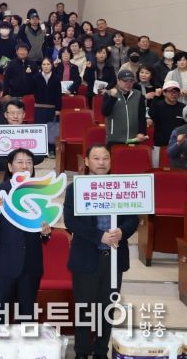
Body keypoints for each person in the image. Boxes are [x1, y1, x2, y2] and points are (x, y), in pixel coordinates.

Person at [65, 144, 138, 359]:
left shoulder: (122, 186)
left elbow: (133, 218)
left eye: (105, 158)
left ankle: (100, 351)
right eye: (96, 158)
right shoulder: (75, 188)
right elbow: (71, 221)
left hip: (114, 258)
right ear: (87, 161)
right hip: (87, 256)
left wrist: (122, 232)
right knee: (84, 308)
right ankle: (81, 352)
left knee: (107, 308)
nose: (101, 162)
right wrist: (100, 236)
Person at [0, 148, 51, 324]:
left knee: (27, 317)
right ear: (10, 166)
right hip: (4, 263)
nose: (25, 166)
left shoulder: (40, 193)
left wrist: (45, 233)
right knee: (0, 315)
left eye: (29, 163)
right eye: (20, 162)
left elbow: (45, 226)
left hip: (31, 263)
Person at [0, 99, 45, 182]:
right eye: (12, 113)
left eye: (19, 113)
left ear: (24, 115)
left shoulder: (33, 132)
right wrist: (15, 165)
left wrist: (24, 163)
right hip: (3, 175)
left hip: (27, 174)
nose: (15, 116)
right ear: (6, 115)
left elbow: (40, 157)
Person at [103, 70, 147, 149]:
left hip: (133, 139)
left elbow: (141, 116)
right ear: (118, 81)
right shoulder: (109, 94)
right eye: (125, 81)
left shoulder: (138, 95)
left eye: (131, 81)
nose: (128, 84)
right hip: (114, 139)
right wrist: (113, 98)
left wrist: (142, 132)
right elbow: (105, 112)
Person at [149, 81, 186, 166]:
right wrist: (156, 96)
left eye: (176, 91)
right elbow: (151, 114)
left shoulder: (183, 107)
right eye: (170, 91)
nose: (173, 94)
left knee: (178, 171)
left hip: (178, 146)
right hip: (159, 145)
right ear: (164, 93)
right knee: (157, 170)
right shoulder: (158, 105)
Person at [32, 58, 62, 157]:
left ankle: (51, 150)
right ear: (41, 66)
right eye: (44, 64)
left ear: (51, 65)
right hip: (39, 107)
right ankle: (41, 150)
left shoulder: (56, 78)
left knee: (52, 130)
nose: (46, 66)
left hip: (52, 108)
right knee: (40, 129)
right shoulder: (36, 77)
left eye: (48, 64)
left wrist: (58, 109)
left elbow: (58, 95)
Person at [167, 106, 187, 170]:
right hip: (180, 168)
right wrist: (178, 143)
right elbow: (170, 153)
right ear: (185, 118)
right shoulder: (178, 131)